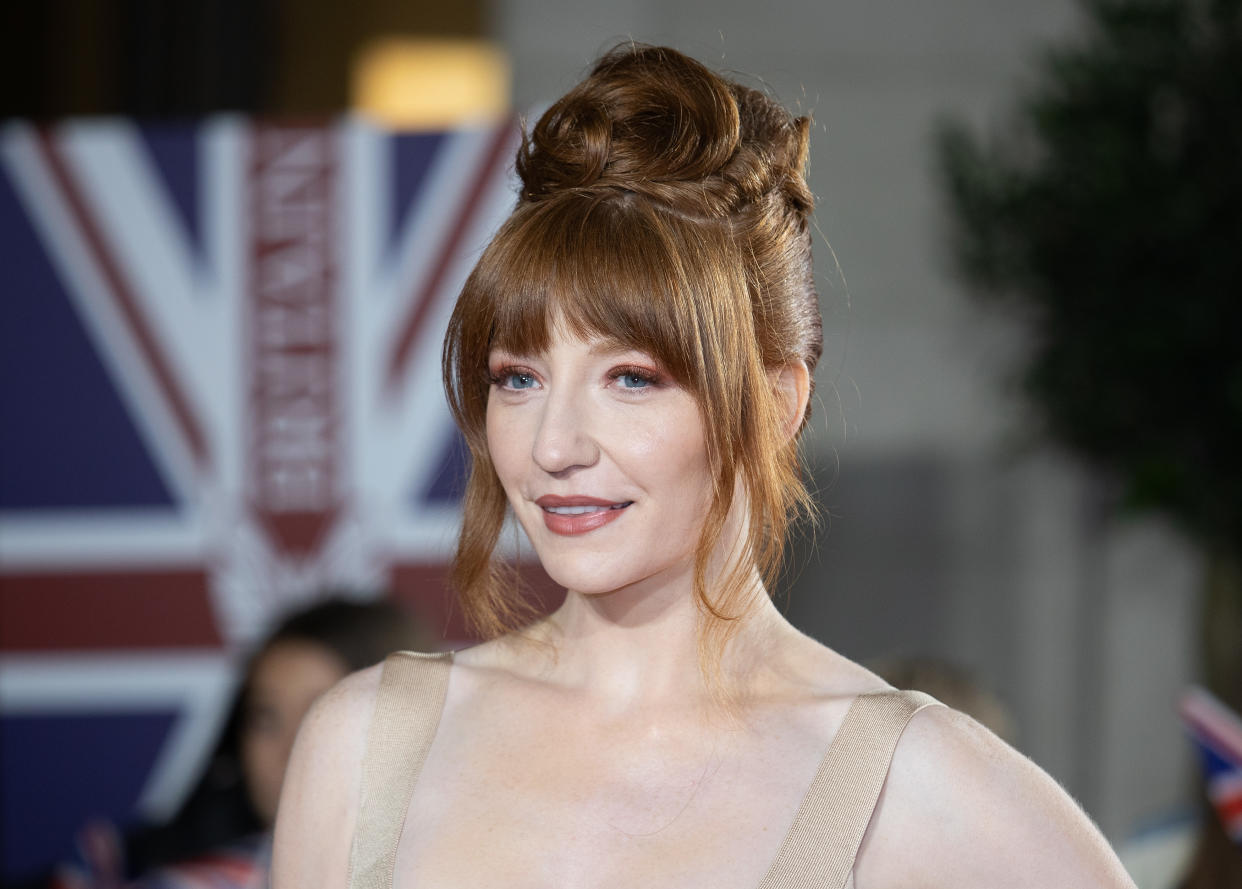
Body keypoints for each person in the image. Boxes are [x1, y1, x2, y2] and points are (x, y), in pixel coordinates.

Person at [273, 45, 1137, 889]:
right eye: (519, 377)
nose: (552, 446)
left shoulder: (918, 788)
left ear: (775, 402)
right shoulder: (366, 747)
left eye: (631, 378)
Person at [51, 597, 424, 889]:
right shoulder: (152, 870)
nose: (289, 748)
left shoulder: (466, 867)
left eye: (319, 713)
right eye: (264, 717)